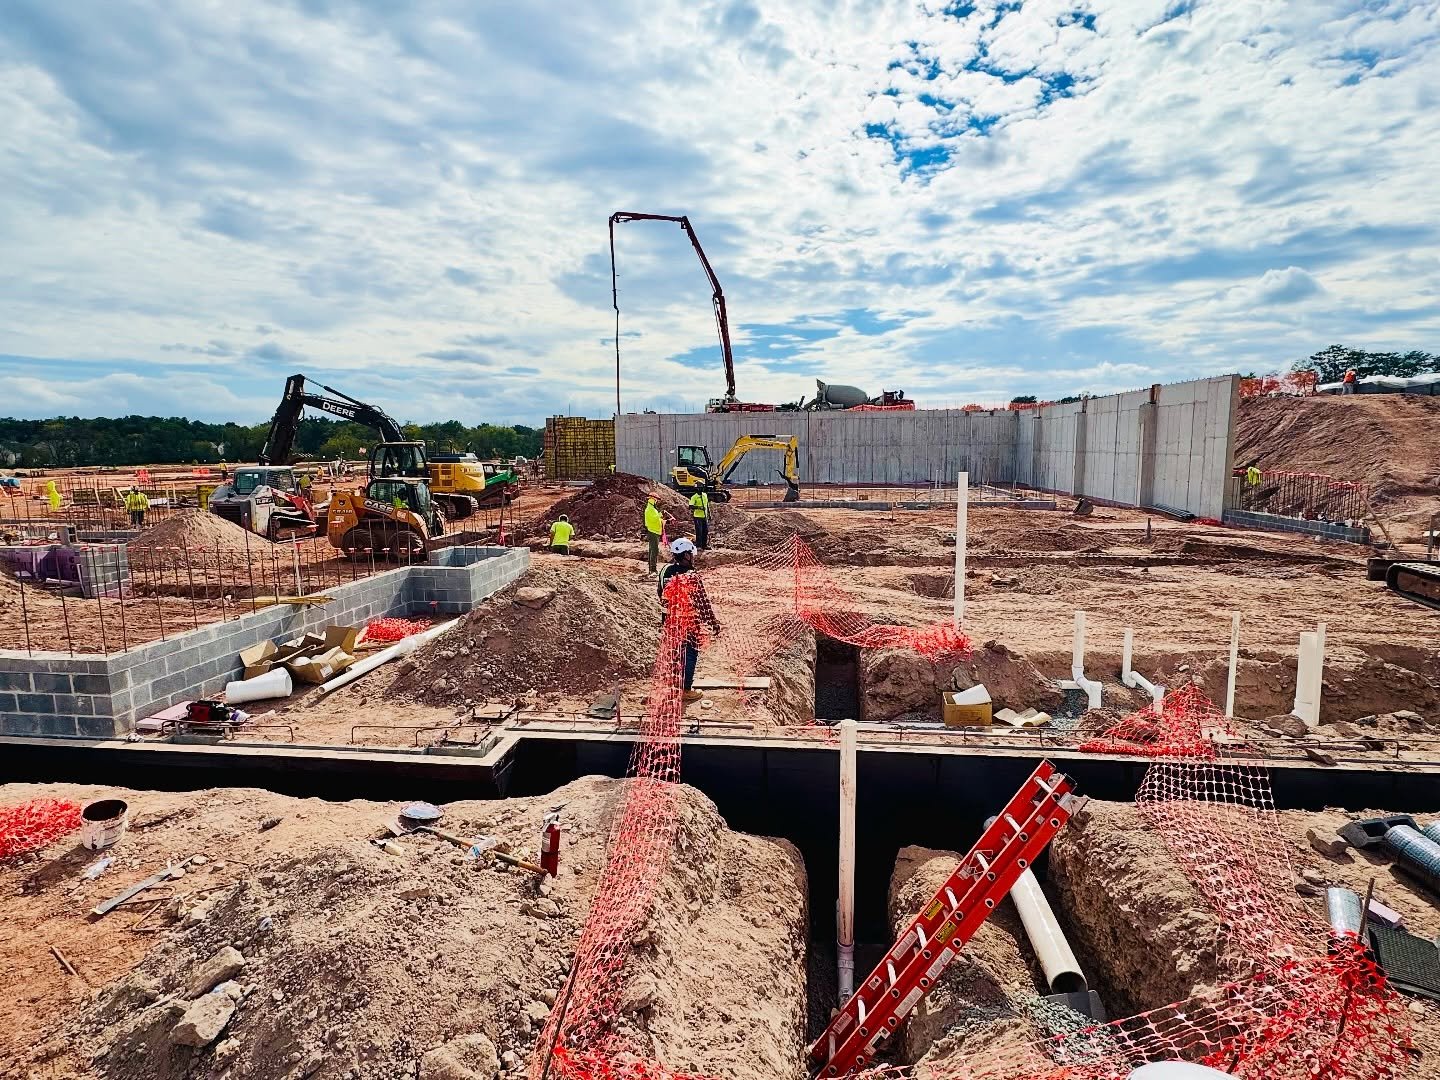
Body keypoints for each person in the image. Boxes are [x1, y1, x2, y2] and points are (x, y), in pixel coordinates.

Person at [658, 537, 721, 703]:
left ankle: (674, 685)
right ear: (686, 555)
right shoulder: (692, 576)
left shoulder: (665, 571)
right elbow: (703, 602)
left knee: (675, 653)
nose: (693, 558)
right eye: (691, 555)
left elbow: (661, 595)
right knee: (691, 652)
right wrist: (713, 622)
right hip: (689, 624)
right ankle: (686, 689)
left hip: (669, 621)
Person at [643, 495, 665, 575]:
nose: (657, 502)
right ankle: (652, 569)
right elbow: (654, 518)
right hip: (653, 531)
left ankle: (652, 568)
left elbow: (656, 519)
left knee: (653, 550)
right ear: (653, 499)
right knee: (654, 550)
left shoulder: (652, 509)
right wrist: (660, 514)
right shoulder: (650, 509)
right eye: (656, 500)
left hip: (655, 531)